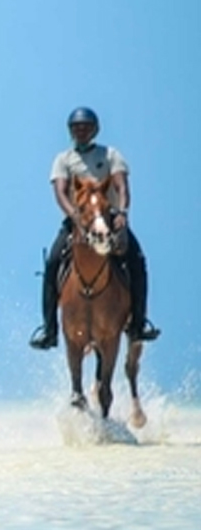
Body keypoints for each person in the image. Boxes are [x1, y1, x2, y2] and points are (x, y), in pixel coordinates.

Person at [29, 107, 159, 350]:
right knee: (52, 264)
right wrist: (74, 216)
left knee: (137, 261)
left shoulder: (110, 155)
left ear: (95, 130)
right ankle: (49, 329)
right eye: (77, 128)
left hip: (108, 219)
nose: (81, 131)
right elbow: (60, 191)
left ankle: (138, 324)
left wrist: (122, 213)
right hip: (77, 221)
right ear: (70, 131)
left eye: (86, 127)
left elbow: (121, 187)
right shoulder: (63, 159)